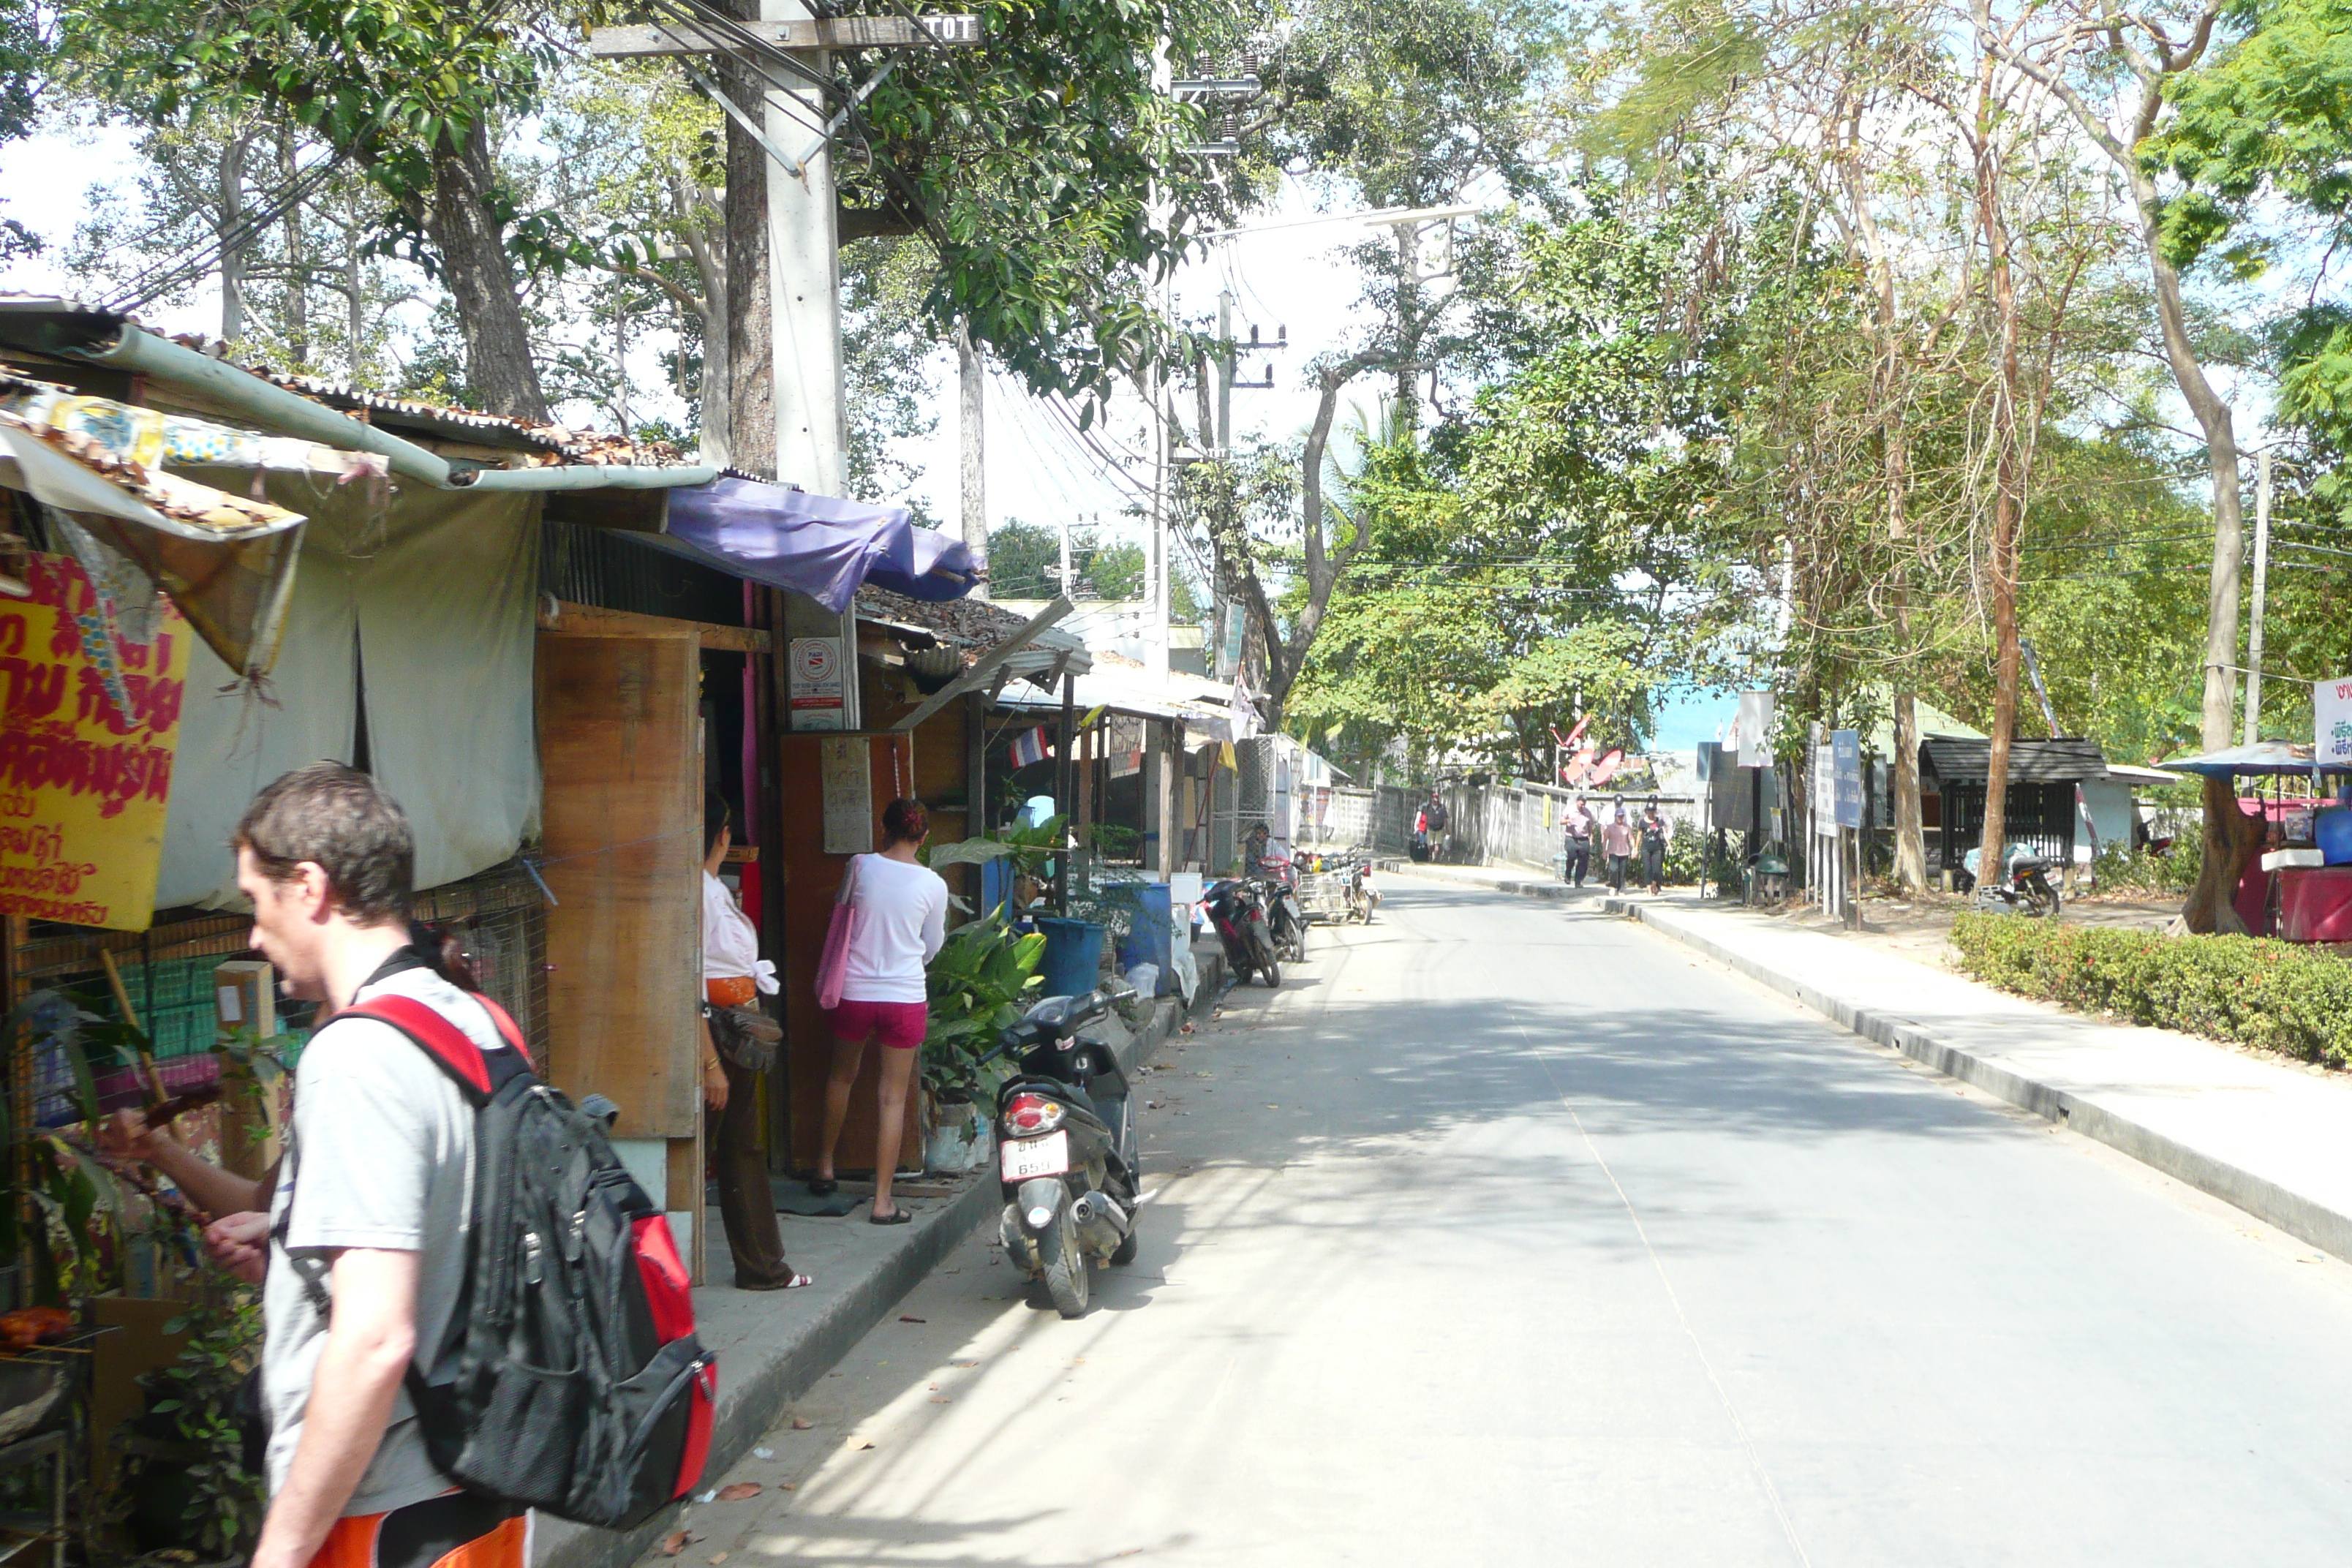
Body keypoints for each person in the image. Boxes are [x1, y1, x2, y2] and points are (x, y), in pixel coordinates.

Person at [234, 761, 529, 1568]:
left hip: (387, 1508)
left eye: (257, 903)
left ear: (309, 886)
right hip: (481, 1481)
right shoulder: (475, 1020)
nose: (253, 935)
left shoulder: (355, 1054)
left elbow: (372, 1338)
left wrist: (281, 1549)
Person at [811, 798, 948, 1225]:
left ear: (883, 829)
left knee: (841, 1075)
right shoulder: (933, 885)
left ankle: (825, 1166)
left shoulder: (860, 866)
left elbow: (843, 911)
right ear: (923, 839)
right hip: (904, 996)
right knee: (892, 1098)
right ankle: (882, 1201)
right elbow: (934, 944)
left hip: (854, 990)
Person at [699, 792, 809, 1291]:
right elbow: (690, 979)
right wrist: (709, 1064)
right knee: (738, 1146)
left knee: (741, 1145)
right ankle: (762, 1268)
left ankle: (763, 1266)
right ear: (723, 836)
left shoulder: (708, 889)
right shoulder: (697, 892)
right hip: (718, 1029)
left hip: (734, 1022)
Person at [1602, 805, 1635, 892]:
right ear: (1615, 817)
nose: (1620, 818)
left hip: (1624, 852)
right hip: (1613, 852)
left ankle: (1621, 889)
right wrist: (1604, 851)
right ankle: (1613, 885)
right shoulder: (1610, 827)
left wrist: (1634, 849)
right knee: (1613, 870)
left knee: (1622, 872)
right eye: (1619, 816)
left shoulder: (1627, 827)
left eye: (1622, 816)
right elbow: (1605, 839)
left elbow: (1631, 838)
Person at [1563, 798, 1593, 888]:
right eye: (1581, 805)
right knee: (1571, 856)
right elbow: (1561, 821)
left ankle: (1578, 881)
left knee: (1583, 861)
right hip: (1571, 838)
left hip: (1583, 839)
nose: (1582, 807)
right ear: (1577, 803)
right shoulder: (1569, 810)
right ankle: (1568, 873)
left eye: (1584, 805)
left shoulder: (1587, 813)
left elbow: (1590, 826)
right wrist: (1568, 821)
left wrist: (1591, 838)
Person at [1640, 805, 1670, 895]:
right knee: (1647, 869)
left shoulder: (1659, 822)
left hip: (1657, 848)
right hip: (1646, 848)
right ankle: (1649, 889)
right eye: (1649, 810)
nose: (1651, 812)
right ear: (1646, 811)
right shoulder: (1642, 822)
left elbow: (1665, 834)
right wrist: (1635, 848)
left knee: (1657, 870)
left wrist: (1669, 845)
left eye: (1653, 810)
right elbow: (1639, 835)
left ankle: (1654, 884)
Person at [1422, 789, 1451, 863]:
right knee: (1430, 845)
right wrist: (1423, 827)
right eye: (1434, 799)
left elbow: (1445, 819)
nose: (1435, 801)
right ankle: (1431, 854)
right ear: (1431, 799)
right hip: (1430, 828)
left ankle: (1435, 859)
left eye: (1436, 800)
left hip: (1439, 828)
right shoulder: (1428, 808)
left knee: (1437, 845)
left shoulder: (1442, 808)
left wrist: (1446, 828)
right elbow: (1424, 818)